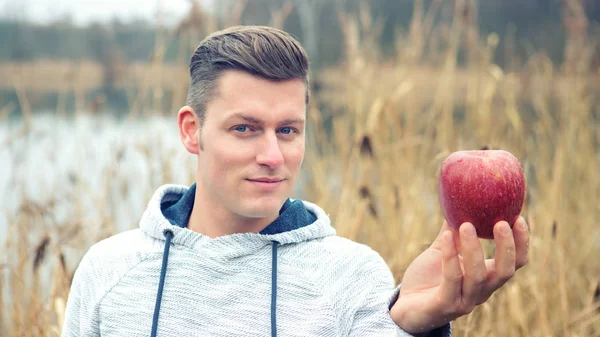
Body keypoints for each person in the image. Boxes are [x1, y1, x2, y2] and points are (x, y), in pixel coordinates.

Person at [61, 25, 529, 337]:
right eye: (244, 128)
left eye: (288, 130)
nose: (272, 156)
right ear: (191, 130)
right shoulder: (109, 271)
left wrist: (411, 326)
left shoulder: (353, 277)